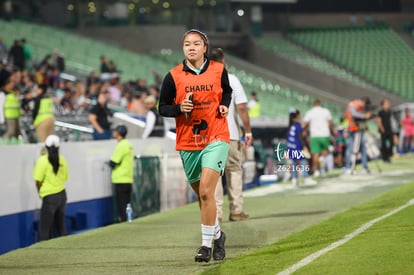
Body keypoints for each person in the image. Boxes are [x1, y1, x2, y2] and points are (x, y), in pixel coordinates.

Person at [158, 29, 232, 263]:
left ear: (204, 48)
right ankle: (218, 235)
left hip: (216, 137)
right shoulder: (173, 76)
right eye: (187, 44)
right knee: (203, 198)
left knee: (206, 192)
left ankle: (205, 246)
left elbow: (227, 92)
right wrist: (180, 109)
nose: (191, 47)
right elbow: (162, 107)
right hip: (188, 141)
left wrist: (223, 105)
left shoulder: (219, 70)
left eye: (196, 43)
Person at [209, 47, 253, 222]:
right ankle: (236, 210)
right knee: (234, 170)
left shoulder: (202, 79)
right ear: (223, 60)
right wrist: (248, 131)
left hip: (210, 136)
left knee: (214, 174)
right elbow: (241, 107)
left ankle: (216, 214)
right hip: (231, 133)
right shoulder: (231, 79)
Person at [33, 135, 69, 241]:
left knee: (45, 230)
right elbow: (66, 177)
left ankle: (45, 254)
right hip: (62, 196)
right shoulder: (63, 160)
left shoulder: (42, 161)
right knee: (61, 228)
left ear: (46, 147)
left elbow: (38, 181)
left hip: (49, 198)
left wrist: (40, 192)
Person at [109, 125, 134, 222]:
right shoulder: (128, 144)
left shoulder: (121, 145)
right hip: (128, 178)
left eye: (115, 131)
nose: (114, 133)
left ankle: (125, 222)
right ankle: (129, 220)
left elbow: (113, 162)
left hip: (120, 179)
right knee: (127, 204)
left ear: (118, 133)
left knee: (122, 205)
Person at [302, 99, 334, 176]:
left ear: (313, 105)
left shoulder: (310, 112)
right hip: (325, 134)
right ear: (320, 104)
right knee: (325, 150)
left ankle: (316, 171)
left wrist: (304, 130)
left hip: (314, 135)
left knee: (315, 153)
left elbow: (304, 124)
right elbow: (330, 123)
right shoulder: (326, 111)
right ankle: (322, 158)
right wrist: (331, 131)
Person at [344, 96, 374, 174]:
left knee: (363, 148)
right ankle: (348, 167)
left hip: (359, 129)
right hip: (351, 130)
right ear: (363, 101)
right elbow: (354, 114)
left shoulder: (361, 108)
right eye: (366, 104)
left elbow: (361, 118)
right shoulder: (352, 104)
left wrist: (368, 117)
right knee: (350, 149)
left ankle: (365, 167)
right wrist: (364, 116)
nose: (365, 106)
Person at [287, 108, 316, 186]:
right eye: (299, 114)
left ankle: (294, 179)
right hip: (297, 146)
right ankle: (306, 178)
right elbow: (300, 137)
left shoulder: (290, 125)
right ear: (297, 115)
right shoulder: (297, 125)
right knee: (303, 161)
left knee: (294, 163)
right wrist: (304, 147)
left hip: (291, 146)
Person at [0, 69, 21, 142]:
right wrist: (1, 118)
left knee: (16, 132)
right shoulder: (3, 93)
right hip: (8, 115)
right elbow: (1, 105)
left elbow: (17, 103)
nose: (12, 85)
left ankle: (14, 144)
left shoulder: (14, 93)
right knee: (10, 131)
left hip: (16, 115)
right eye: (11, 84)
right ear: (6, 84)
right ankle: (3, 141)